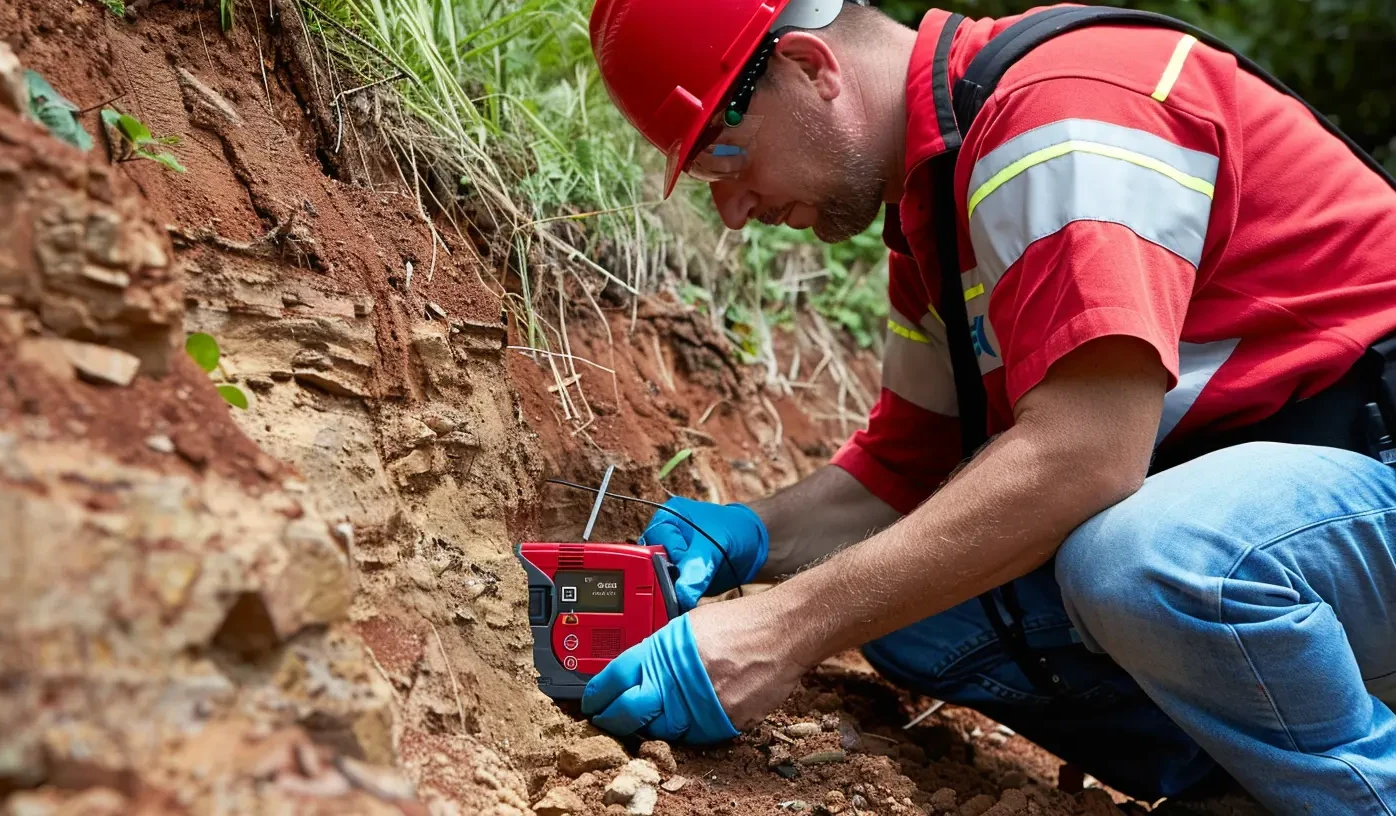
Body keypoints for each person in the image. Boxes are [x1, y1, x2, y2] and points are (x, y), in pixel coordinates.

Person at [580, 0, 1396, 811]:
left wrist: (780, 630)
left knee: (1141, 556)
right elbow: (902, 478)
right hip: (1311, 534)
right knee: (911, 610)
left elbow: (1085, 455)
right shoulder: (940, 213)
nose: (733, 209)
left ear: (809, 67)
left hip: (1369, 471)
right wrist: (753, 536)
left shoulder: (1067, 116)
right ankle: (1252, 783)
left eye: (727, 154)